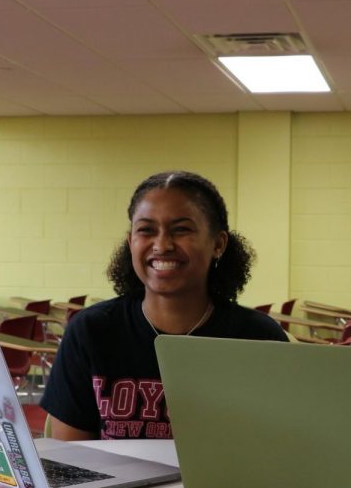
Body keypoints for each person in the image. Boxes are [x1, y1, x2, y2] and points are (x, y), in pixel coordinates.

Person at [41, 170, 287, 441]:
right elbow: (70, 460)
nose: (162, 245)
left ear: (218, 244)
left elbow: (278, 450)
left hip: (226, 486)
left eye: (181, 229)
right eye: (146, 230)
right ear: (131, 242)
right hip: (117, 485)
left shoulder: (259, 338)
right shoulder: (91, 332)